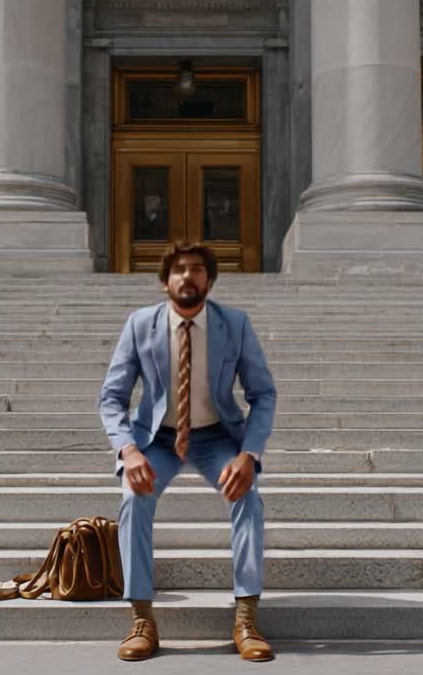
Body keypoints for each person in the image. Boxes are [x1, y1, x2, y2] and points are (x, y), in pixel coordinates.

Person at [98, 242, 278, 662]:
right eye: (178, 269)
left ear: (209, 281)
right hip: (157, 440)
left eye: (197, 269)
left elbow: (263, 393)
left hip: (217, 438)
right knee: (133, 497)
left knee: (247, 497)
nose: (187, 276)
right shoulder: (141, 325)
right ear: (165, 280)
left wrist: (249, 454)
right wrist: (128, 450)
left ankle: (246, 617)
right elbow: (112, 397)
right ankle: (142, 618)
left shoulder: (234, 324)